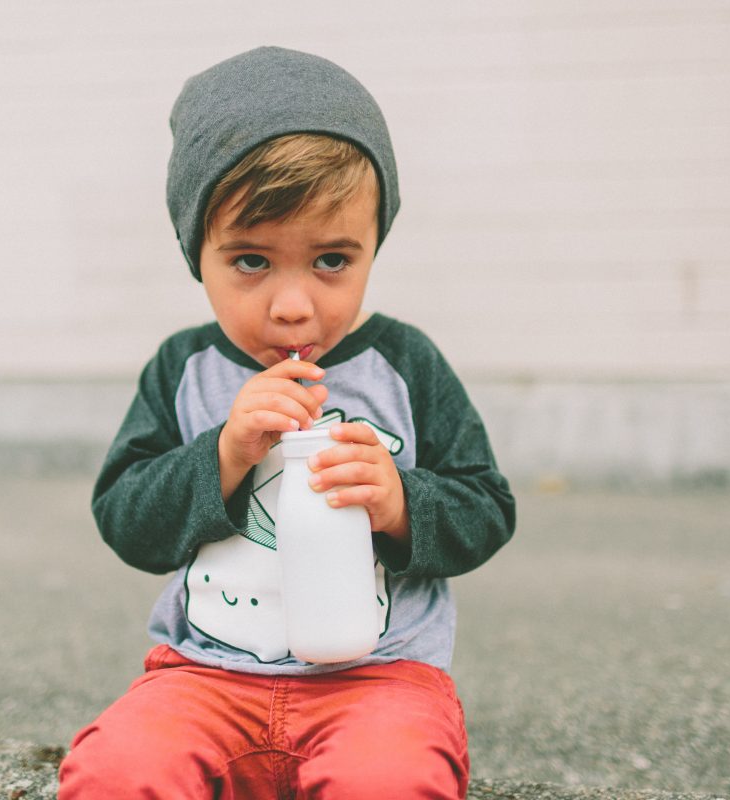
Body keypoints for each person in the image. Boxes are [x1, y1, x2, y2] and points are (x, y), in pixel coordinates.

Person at [59, 45, 516, 799]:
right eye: (249, 261)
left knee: (391, 779)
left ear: (375, 246)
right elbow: (125, 518)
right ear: (195, 254)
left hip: (380, 681)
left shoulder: (404, 364)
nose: (294, 304)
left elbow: (487, 507)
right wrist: (226, 452)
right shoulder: (186, 371)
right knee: (117, 771)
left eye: (332, 260)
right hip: (204, 678)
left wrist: (401, 502)